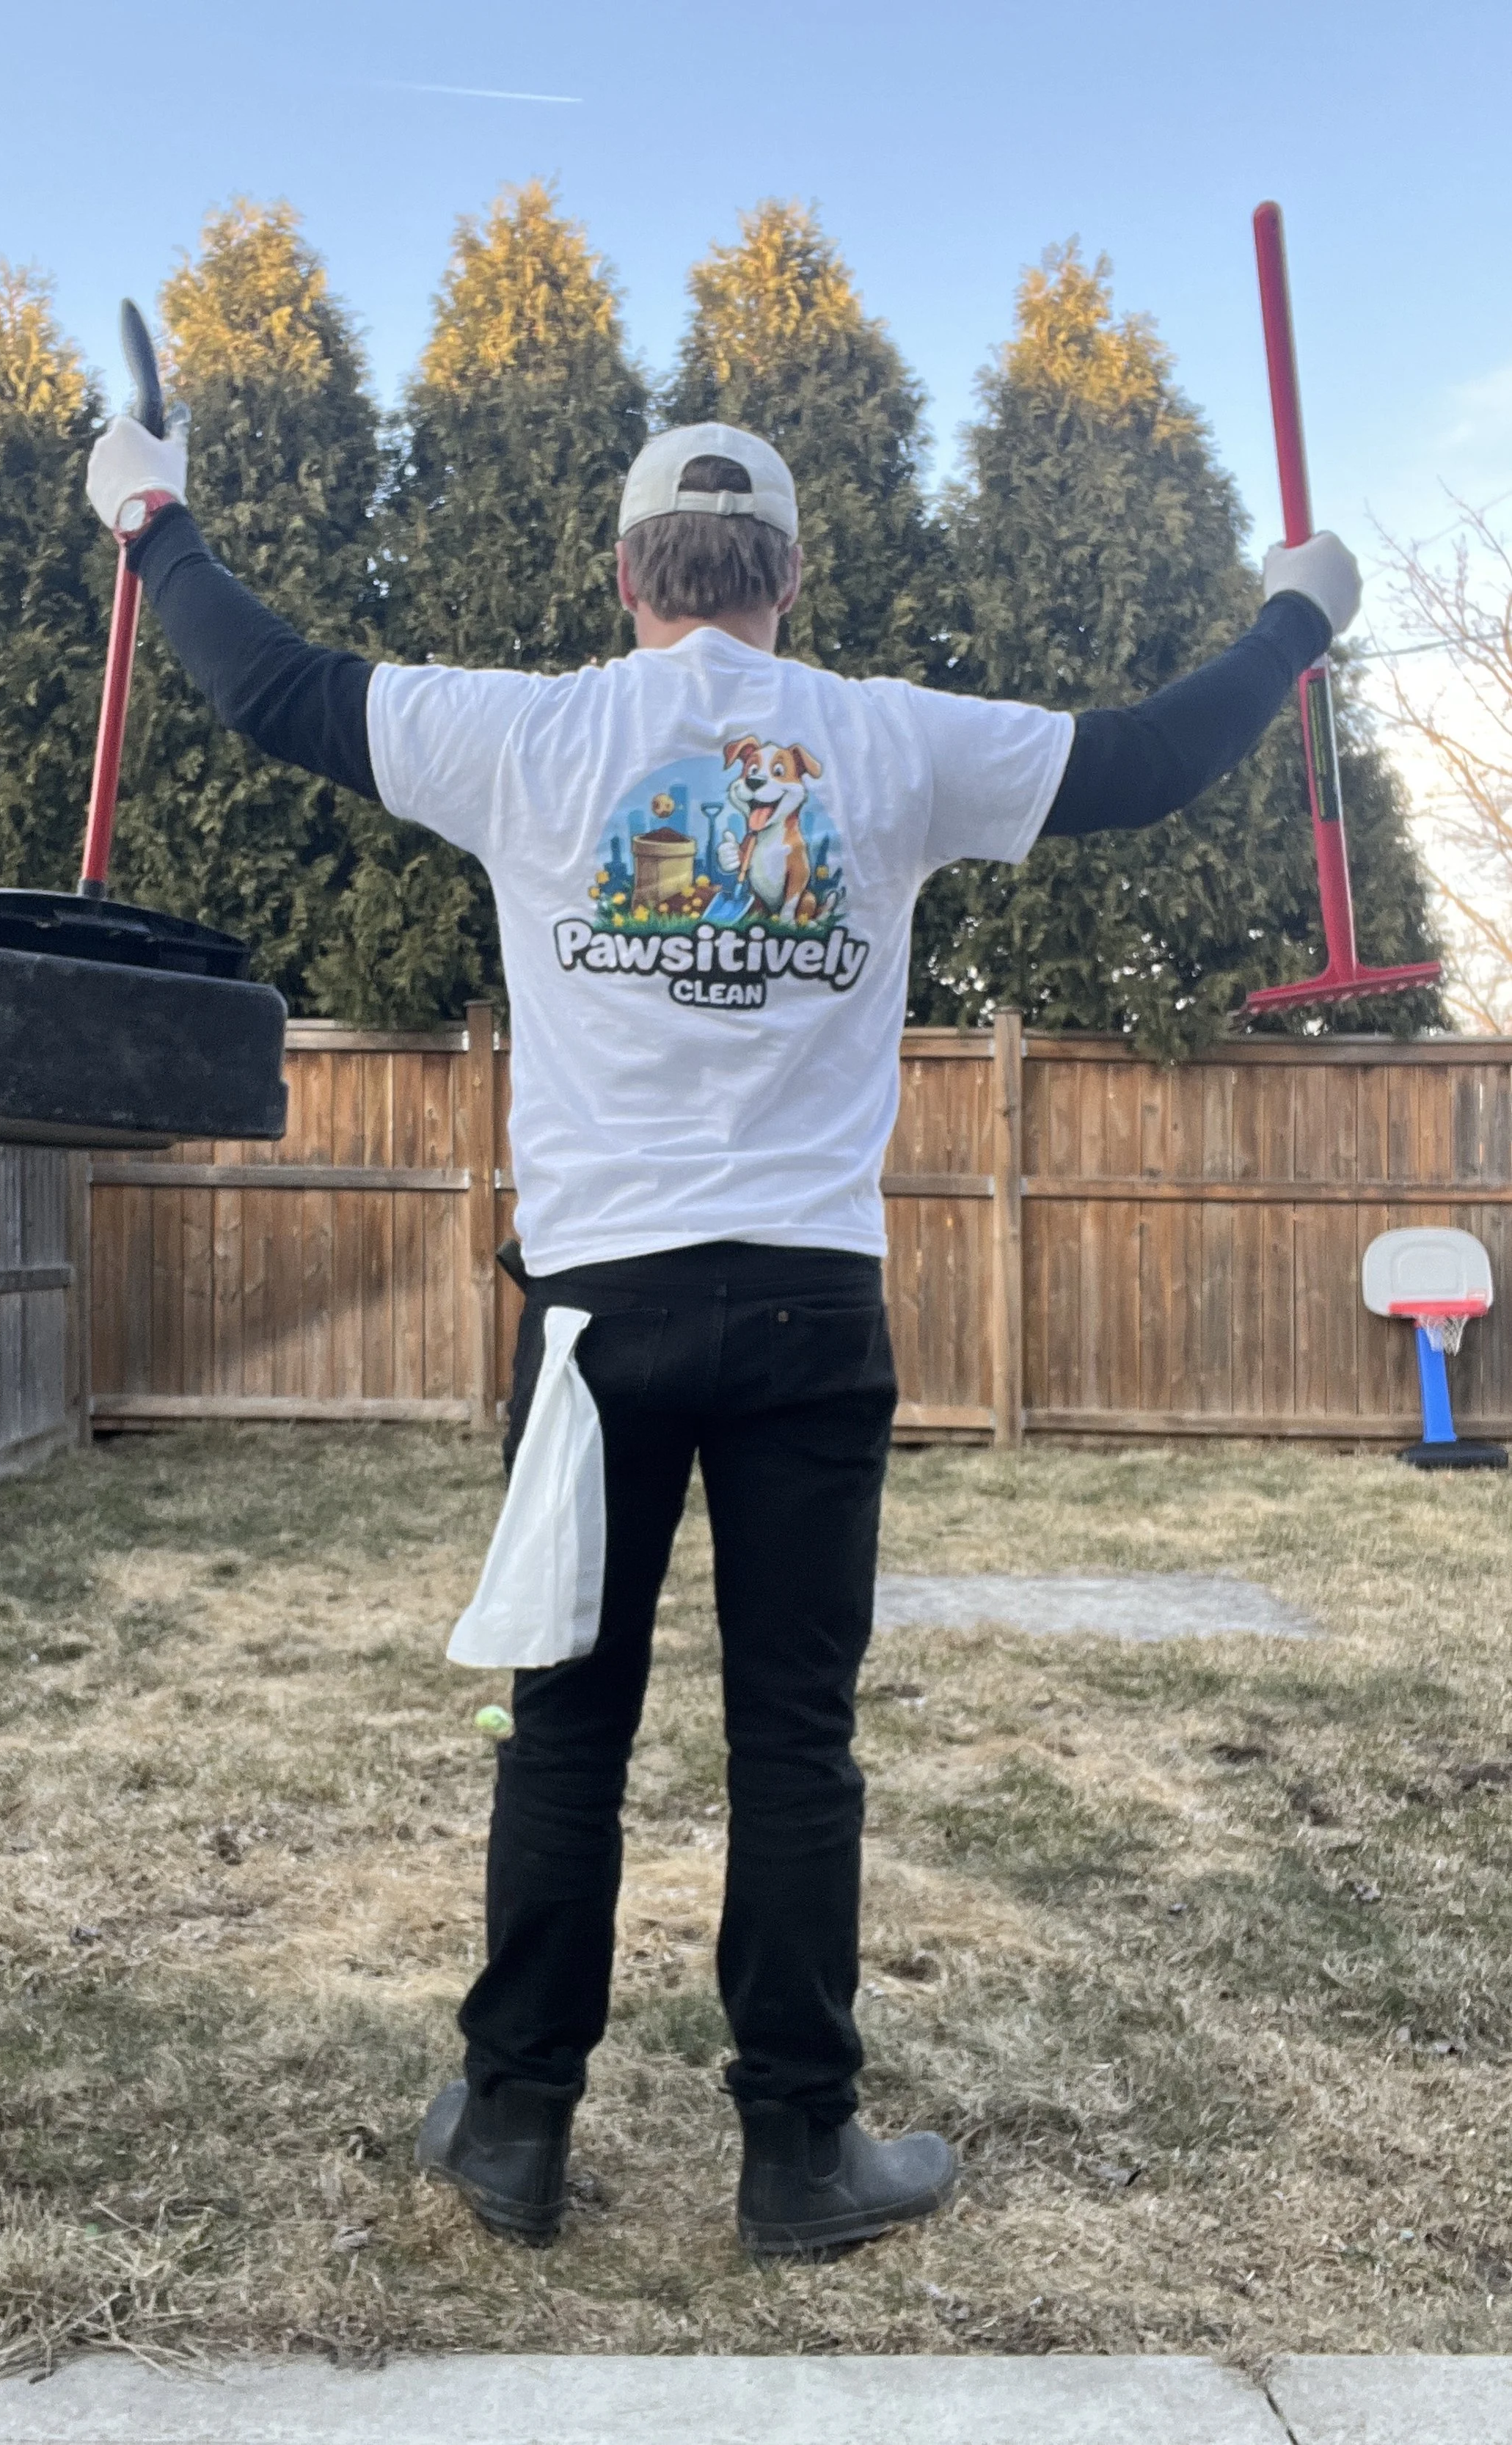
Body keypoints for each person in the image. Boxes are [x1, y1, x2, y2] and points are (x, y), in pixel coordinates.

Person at [87, 408, 1360, 2261]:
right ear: (784, 582)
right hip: (804, 1310)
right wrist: (1293, 618)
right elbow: (1150, 761)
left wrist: (150, 514)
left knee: (566, 1730)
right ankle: (795, 2155)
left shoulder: (528, 734)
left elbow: (268, 682)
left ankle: (514, 2126)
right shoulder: (889, 741)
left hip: (597, 1318)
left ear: (622, 580)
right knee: (789, 1740)